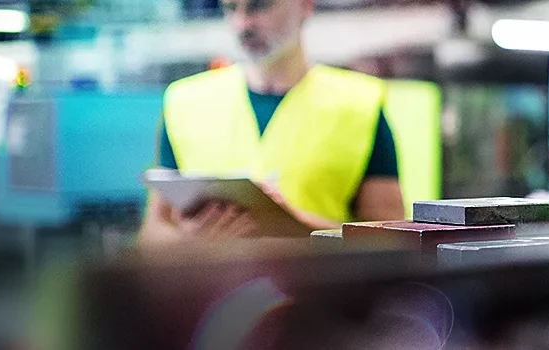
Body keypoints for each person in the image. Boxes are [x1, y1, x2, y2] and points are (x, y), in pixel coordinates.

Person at [139, 0, 441, 243]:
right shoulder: (185, 102)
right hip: (211, 305)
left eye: (259, 6)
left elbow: (391, 243)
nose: (242, 24)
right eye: (231, 8)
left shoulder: (360, 104)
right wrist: (190, 241)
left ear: (305, 6)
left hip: (318, 305)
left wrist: (293, 224)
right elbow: (152, 234)